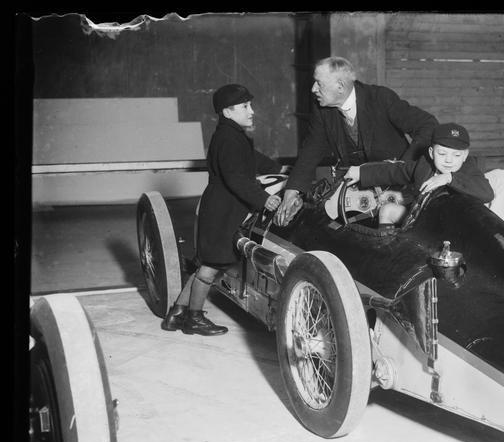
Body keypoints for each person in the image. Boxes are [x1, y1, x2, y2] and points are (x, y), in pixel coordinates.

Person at [161, 83, 283, 336]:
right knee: (211, 267)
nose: (251, 111)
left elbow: (251, 158)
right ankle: (194, 319)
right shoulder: (229, 138)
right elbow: (236, 178)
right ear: (227, 112)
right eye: (245, 106)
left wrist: (277, 168)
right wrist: (264, 200)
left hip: (220, 208)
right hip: (222, 211)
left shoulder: (231, 135)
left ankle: (177, 314)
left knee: (206, 264)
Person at [274, 56, 438, 226]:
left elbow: (428, 125)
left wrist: (405, 166)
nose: (313, 89)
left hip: (397, 190)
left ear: (340, 86)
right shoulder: (322, 110)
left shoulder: (380, 98)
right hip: (359, 193)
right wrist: (292, 191)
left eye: (319, 83)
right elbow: (311, 150)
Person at [344, 122, 494, 225]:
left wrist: (449, 178)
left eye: (456, 155)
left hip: (452, 226)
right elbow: (395, 171)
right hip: (423, 220)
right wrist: (361, 172)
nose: (449, 160)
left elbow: (487, 193)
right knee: (387, 209)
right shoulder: (424, 165)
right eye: (442, 153)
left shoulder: (468, 168)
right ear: (431, 153)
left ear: (465, 156)